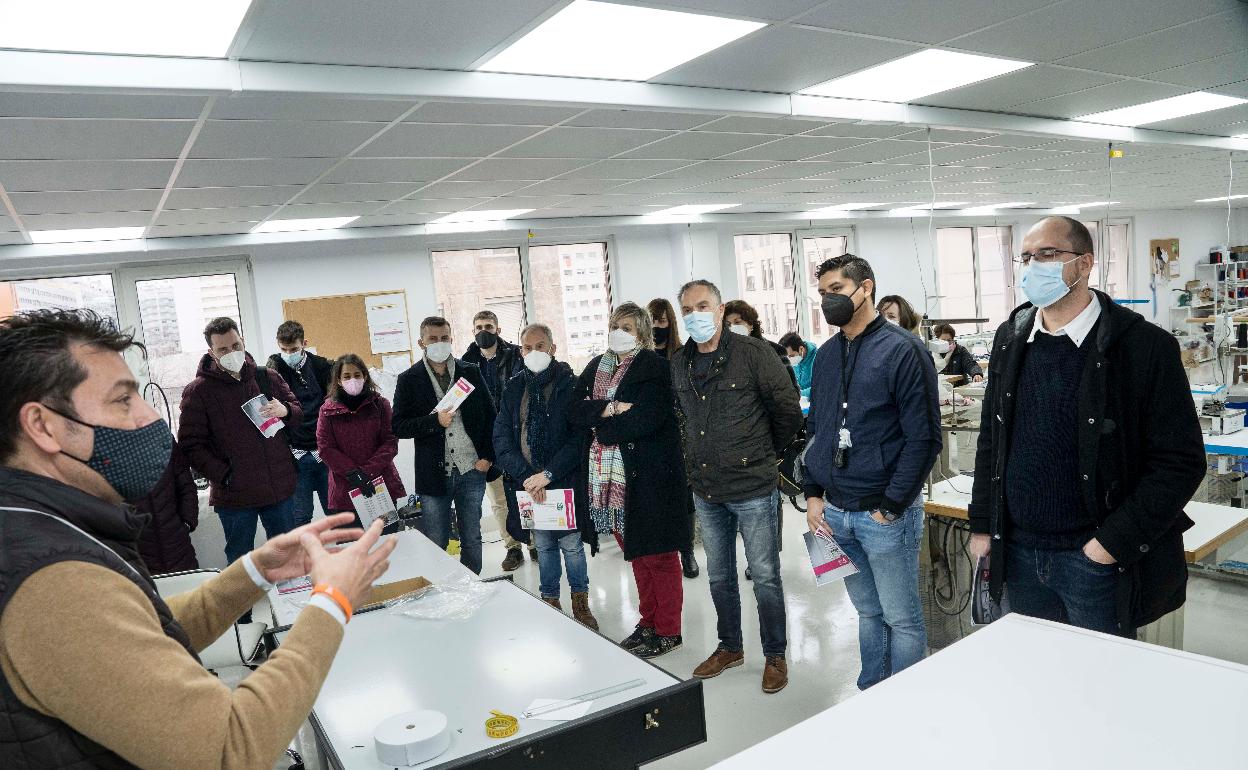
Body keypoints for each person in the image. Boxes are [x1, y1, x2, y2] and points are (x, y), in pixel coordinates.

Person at [0, 308, 397, 769]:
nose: (148, 416)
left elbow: (144, 634)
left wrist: (256, 570)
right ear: (43, 426)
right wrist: (332, 603)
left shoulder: (42, 526)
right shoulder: (53, 578)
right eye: (123, 400)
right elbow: (229, 749)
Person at [969, 216, 1206, 637]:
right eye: (1026, 257)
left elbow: (1180, 463)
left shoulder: (1142, 347)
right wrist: (984, 525)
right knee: (1038, 675)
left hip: (1093, 559)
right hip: (1020, 552)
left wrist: (1109, 546)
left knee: (1102, 688)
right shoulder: (1012, 337)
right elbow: (993, 440)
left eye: (1047, 254)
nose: (1033, 266)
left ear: (1085, 263)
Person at [800, 254, 942, 690]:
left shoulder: (903, 350)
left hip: (884, 515)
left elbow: (923, 440)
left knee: (901, 618)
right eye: (822, 293)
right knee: (867, 612)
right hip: (835, 514)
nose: (828, 301)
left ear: (866, 287)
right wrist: (812, 493)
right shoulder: (826, 355)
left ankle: (906, 704)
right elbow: (818, 429)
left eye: (837, 290)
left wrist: (891, 505)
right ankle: (872, 692)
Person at [673, 280, 802, 694]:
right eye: (688, 308)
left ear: (720, 307)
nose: (695, 313)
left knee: (764, 575)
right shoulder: (679, 361)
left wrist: (764, 454)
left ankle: (775, 655)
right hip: (706, 488)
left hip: (752, 485)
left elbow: (787, 413)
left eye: (703, 305)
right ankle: (730, 647)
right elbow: (682, 419)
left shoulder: (754, 354)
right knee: (719, 576)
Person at [570, 304, 691, 658]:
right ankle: (648, 622)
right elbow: (574, 410)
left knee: (660, 557)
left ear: (640, 331)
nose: (617, 331)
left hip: (651, 477)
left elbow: (648, 419)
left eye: (625, 326)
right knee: (637, 555)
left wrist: (602, 424)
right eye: (613, 325)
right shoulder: (596, 366)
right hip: (611, 483)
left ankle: (669, 629)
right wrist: (610, 408)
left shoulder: (654, 366)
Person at [492, 324, 599, 630]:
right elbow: (501, 438)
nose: (533, 352)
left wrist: (548, 474)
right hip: (528, 487)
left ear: (553, 348)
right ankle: (550, 599)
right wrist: (528, 477)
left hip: (563, 481)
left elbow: (579, 438)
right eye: (527, 347)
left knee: (572, 547)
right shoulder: (513, 388)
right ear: (520, 351)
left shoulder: (571, 385)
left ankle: (580, 601)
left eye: (540, 346)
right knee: (544, 545)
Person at [179, 316, 302, 568]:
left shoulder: (267, 377)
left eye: (235, 346)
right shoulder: (199, 392)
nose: (231, 352)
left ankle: (292, 606)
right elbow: (191, 446)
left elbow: (299, 413)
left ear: (242, 342)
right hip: (234, 496)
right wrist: (224, 475)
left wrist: (286, 410)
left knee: (286, 558)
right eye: (223, 349)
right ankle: (243, 609)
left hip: (278, 487)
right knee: (240, 563)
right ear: (212, 353)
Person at [392, 316, 497, 575]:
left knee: (471, 536)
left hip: (472, 468)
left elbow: (490, 415)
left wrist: (487, 457)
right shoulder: (409, 379)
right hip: (433, 473)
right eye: (433, 339)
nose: (439, 343)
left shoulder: (470, 371)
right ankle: (441, 590)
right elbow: (398, 426)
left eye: (444, 338)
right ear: (421, 342)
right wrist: (433, 421)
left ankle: (472, 584)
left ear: (451, 339)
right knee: (436, 539)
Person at [461, 309, 532, 572]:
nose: (484, 331)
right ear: (472, 331)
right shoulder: (465, 362)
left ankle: (534, 542)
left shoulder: (516, 356)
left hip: (518, 434)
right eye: (479, 326)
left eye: (489, 326)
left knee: (526, 493)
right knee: (499, 500)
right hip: (488, 442)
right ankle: (513, 547)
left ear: (498, 330)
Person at [316, 354, 406, 526]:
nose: (353, 380)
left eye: (357, 375)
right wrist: (354, 474)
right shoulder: (326, 410)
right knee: (349, 548)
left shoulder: (381, 405)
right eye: (347, 376)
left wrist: (365, 473)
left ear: (365, 376)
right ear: (339, 380)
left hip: (380, 487)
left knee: (386, 546)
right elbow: (325, 448)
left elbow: (390, 442)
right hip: (344, 490)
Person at [648, 296, 700, 580]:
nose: (658, 327)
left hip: (680, 436)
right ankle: (663, 551)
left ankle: (687, 551)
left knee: (685, 497)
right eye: (653, 321)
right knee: (658, 497)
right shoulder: (639, 358)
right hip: (650, 437)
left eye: (663, 321)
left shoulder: (681, 355)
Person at [269, 320, 334, 528]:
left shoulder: (321, 366)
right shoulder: (273, 370)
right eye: (284, 349)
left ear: (304, 343)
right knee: (299, 518)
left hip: (324, 453)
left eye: (294, 349)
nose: (289, 353)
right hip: (294, 456)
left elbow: (332, 405)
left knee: (336, 514)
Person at [129, 437, 200, 574]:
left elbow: (186, 484)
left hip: (178, 546)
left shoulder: (161, 437)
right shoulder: (103, 447)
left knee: (190, 591)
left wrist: (186, 522)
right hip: (137, 556)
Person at [779, 331, 818, 399]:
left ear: (801, 349)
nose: (789, 360)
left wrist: (797, 393)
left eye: (791, 356)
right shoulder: (793, 362)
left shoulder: (818, 358)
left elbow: (819, 387)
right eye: (786, 357)